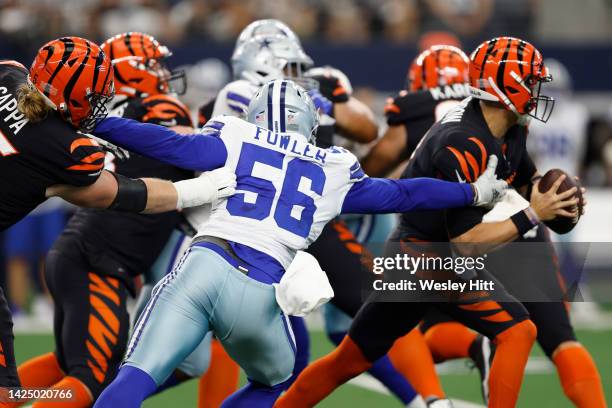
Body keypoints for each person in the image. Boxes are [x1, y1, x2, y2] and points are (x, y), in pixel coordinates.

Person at [90, 78, 507, 408]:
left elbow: (167, 143)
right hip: (260, 290)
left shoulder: (234, 134)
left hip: (204, 265)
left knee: (136, 376)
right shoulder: (333, 167)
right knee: (278, 382)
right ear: (310, 122)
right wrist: (472, 192)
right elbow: (405, 193)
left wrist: (97, 121)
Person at [275, 36, 580, 408]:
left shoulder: (507, 126)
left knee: (350, 359)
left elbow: (524, 178)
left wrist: (552, 196)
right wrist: (534, 214)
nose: (536, 91)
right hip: (425, 260)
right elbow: (467, 242)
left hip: (424, 253)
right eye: (531, 81)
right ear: (506, 85)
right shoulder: (464, 141)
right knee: (518, 330)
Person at [11, 32, 230, 408]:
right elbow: (197, 153)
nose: (163, 73)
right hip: (102, 262)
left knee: (74, 363)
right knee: (90, 380)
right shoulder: (160, 107)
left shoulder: (91, 117)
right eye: (154, 65)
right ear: (137, 71)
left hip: (78, 251)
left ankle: (8, 397)